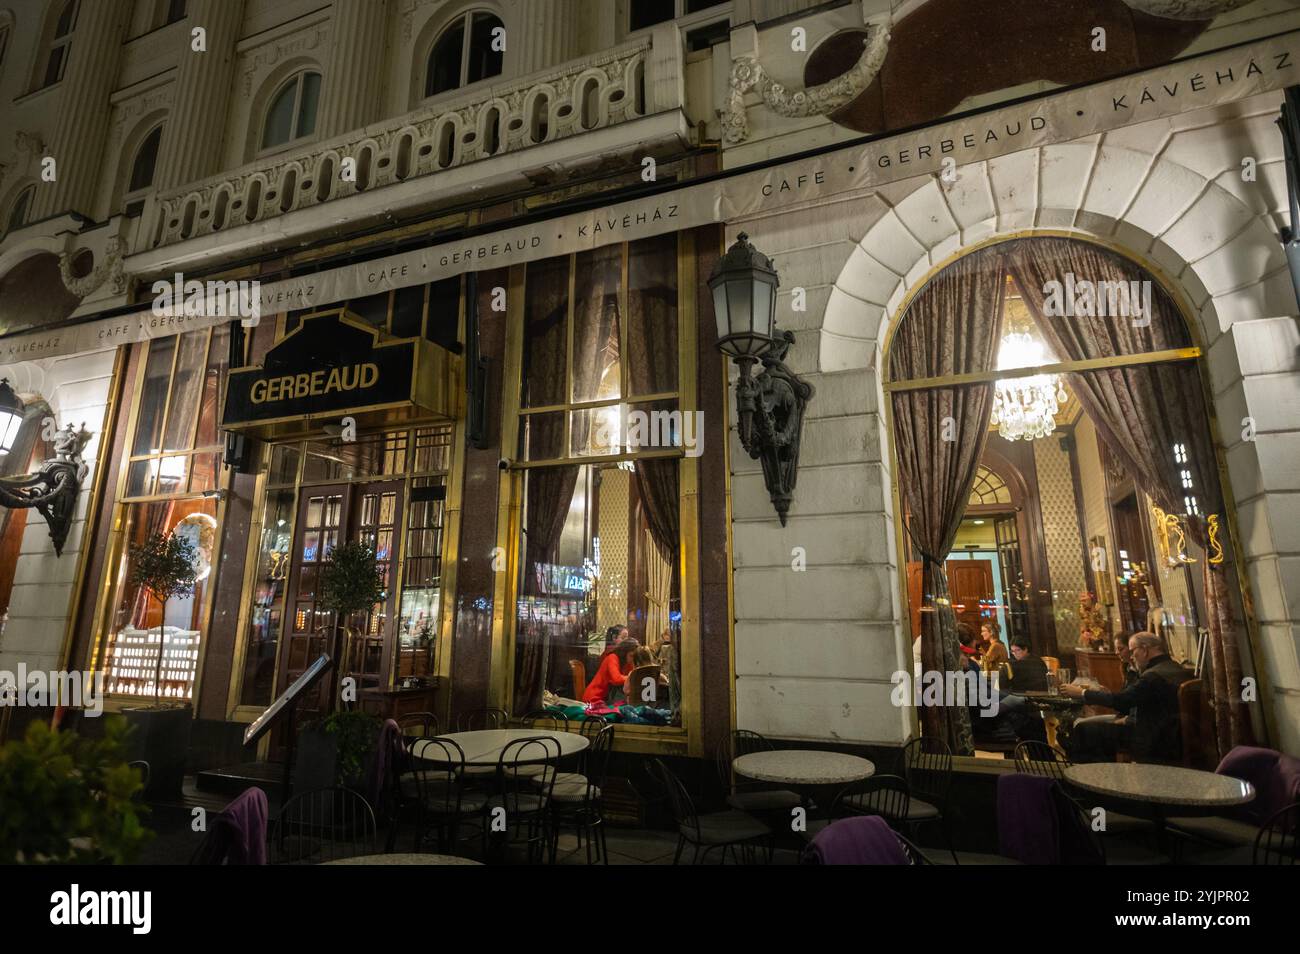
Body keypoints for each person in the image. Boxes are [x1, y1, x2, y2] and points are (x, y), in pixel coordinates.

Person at [1060, 632, 1192, 763]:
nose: (1132, 657)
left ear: (1145, 650)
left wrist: (1081, 693)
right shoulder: (1177, 668)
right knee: (1092, 730)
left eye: (1133, 651)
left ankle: (1093, 779)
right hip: (1171, 737)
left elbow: (1122, 701)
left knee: (1084, 730)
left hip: (1153, 742)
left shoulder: (1152, 676)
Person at [583, 639, 638, 706]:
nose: (633, 659)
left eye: (635, 657)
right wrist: (634, 676)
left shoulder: (628, 663)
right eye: (631, 656)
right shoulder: (612, 658)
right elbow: (617, 679)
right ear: (624, 653)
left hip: (607, 700)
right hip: (594, 699)